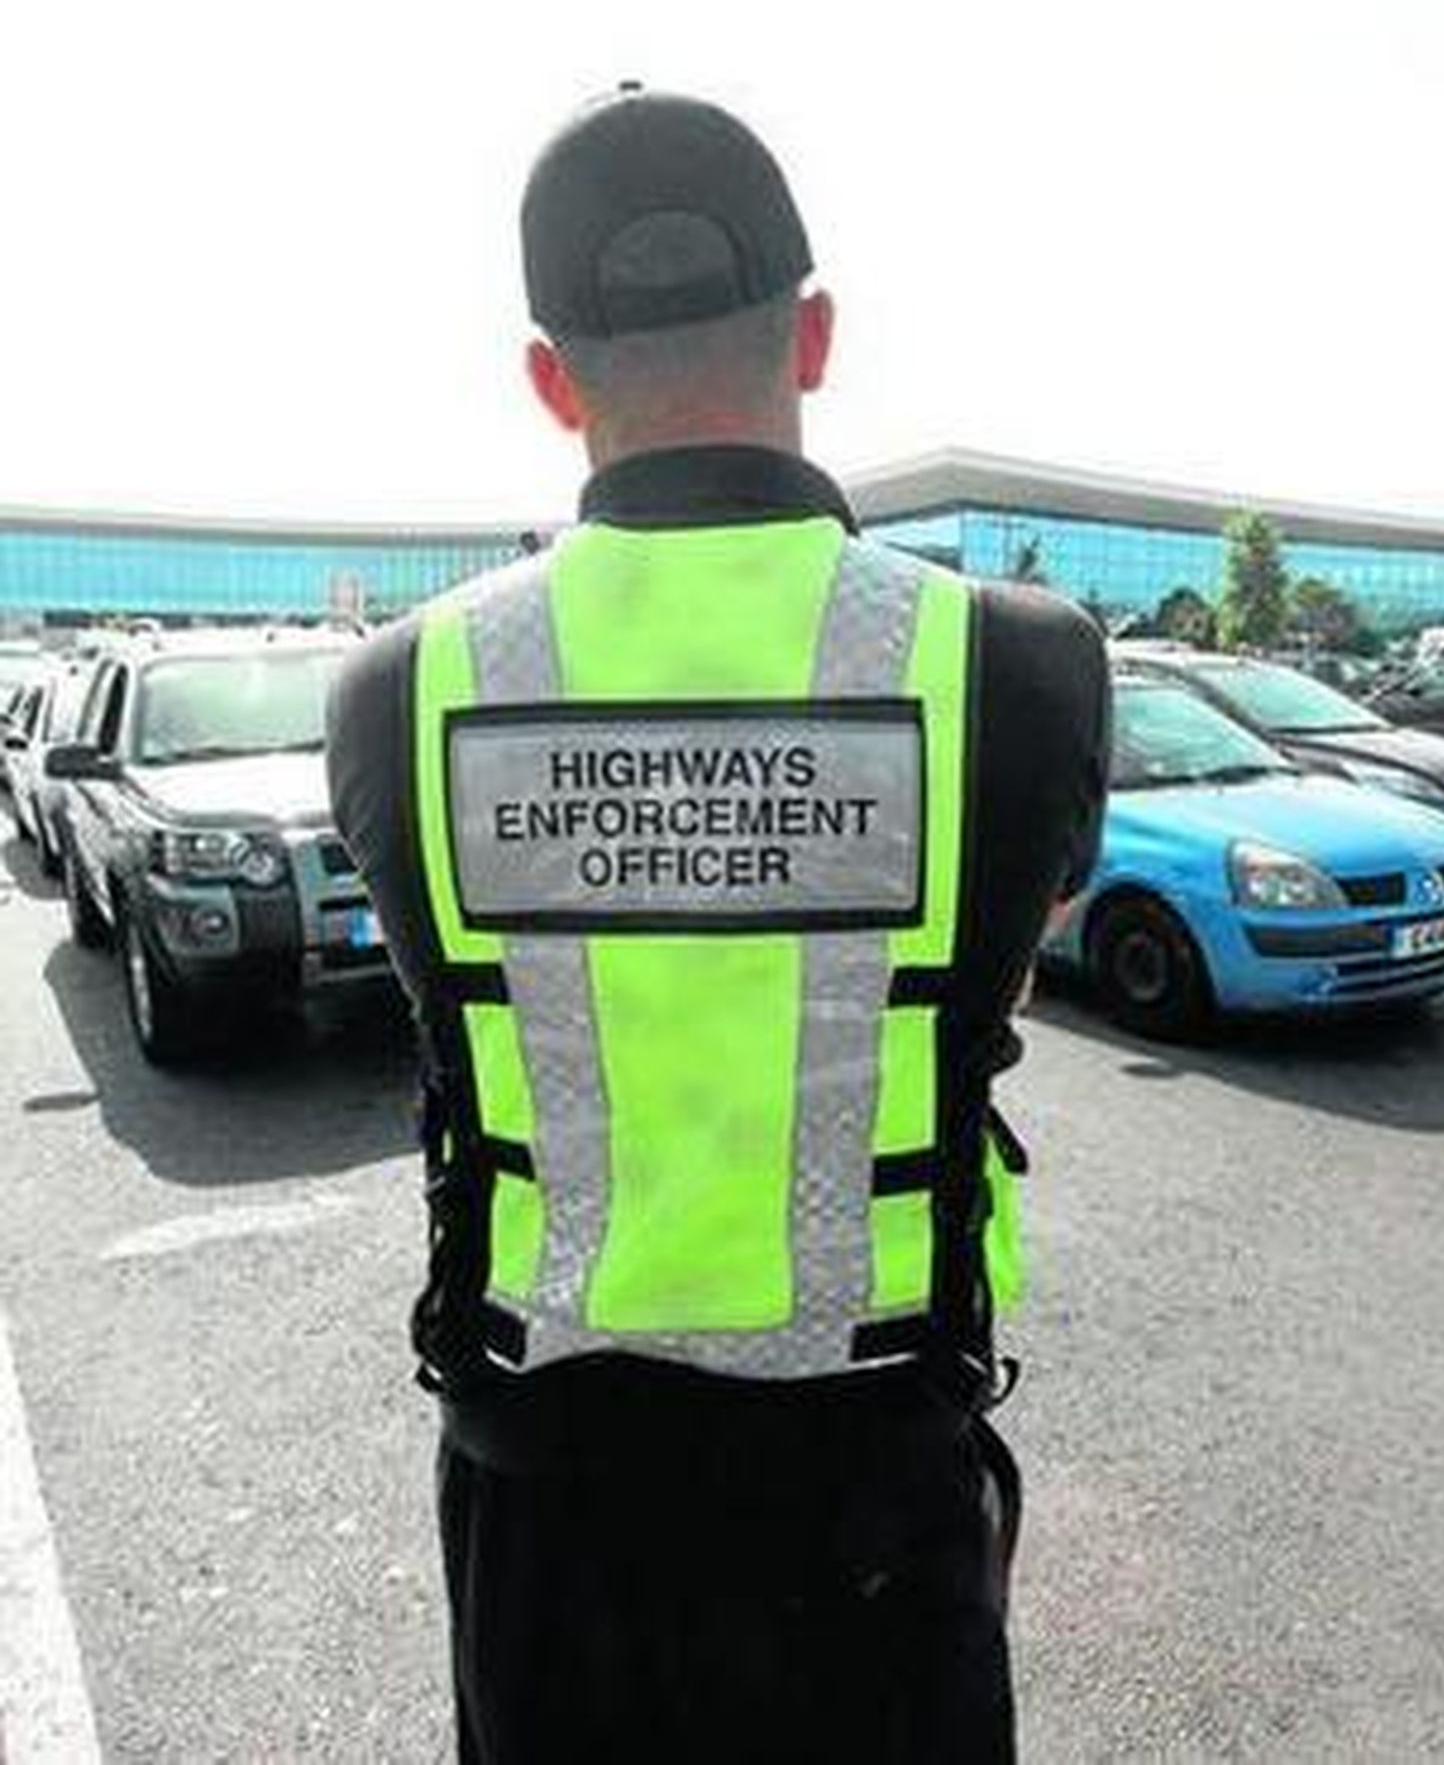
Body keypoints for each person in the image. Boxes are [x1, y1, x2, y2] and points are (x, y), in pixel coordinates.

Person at [326, 85, 1109, 1764]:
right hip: (878, 1495)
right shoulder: (1021, 663)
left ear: (550, 379)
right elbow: (1013, 945)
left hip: (550, 1504)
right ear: (813, 337)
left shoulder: (403, 687)